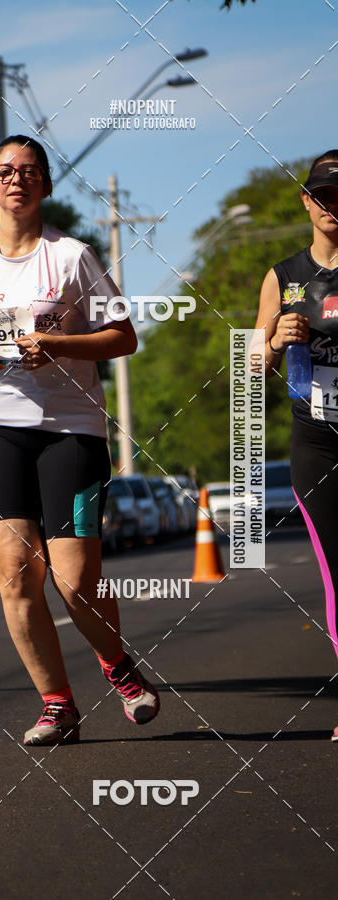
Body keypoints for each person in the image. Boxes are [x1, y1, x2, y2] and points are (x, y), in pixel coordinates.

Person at [0, 134, 160, 745]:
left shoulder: (74, 257)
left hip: (70, 430)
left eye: (29, 171)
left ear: (45, 185)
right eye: (5, 171)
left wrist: (57, 344)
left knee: (74, 580)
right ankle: (57, 705)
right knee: (14, 575)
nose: (16, 180)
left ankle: (118, 668)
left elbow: (123, 339)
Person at [255, 150, 338, 741]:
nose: (334, 206)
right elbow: (249, 370)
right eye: (325, 195)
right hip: (317, 441)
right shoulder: (283, 277)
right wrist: (276, 344)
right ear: (307, 202)